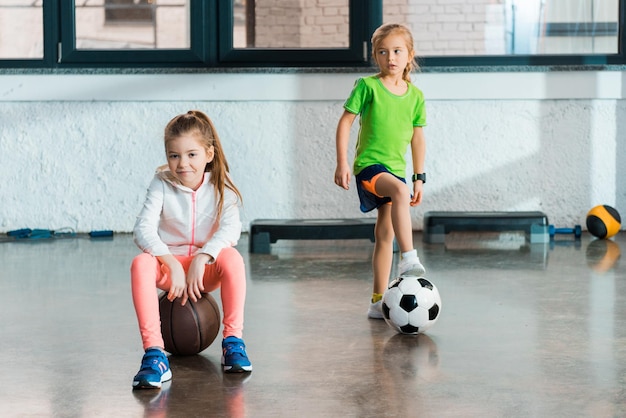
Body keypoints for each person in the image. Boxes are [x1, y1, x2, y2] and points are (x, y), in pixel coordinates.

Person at [131, 110, 252, 390]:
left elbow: (231, 230)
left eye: (191, 155)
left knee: (232, 258)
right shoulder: (161, 183)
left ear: (209, 153)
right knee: (140, 264)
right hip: (169, 270)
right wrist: (169, 262)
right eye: (174, 155)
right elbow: (143, 229)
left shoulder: (223, 187)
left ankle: (233, 342)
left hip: (205, 271)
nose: (182, 163)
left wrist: (203, 256)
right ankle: (154, 355)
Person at [334, 23, 428, 320]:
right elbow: (345, 123)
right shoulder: (368, 86)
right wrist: (342, 163)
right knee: (398, 192)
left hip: (397, 171)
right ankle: (409, 258)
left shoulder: (415, 96)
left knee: (385, 234)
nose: (391, 57)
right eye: (383, 52)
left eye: (398, 51)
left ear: (409, 55)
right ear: (375, 56)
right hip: (370, 168)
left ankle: (377, 300)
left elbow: (417, 138)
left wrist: (419, 176)